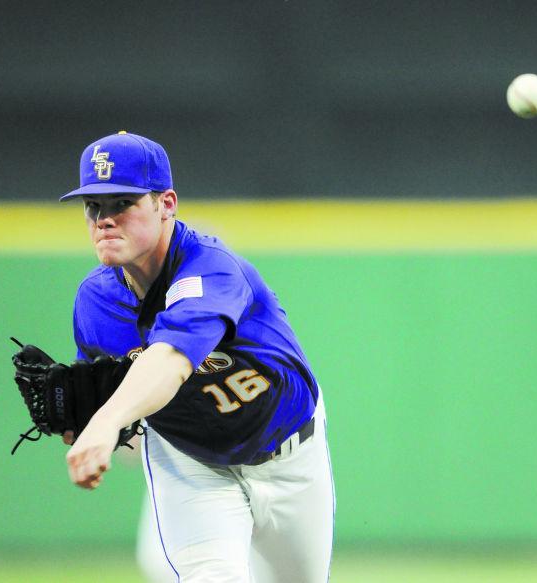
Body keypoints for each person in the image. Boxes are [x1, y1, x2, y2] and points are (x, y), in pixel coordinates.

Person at [59, 131, 335, 582]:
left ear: (166, 204)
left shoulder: (211, 267)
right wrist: (89, 424)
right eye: (94, 206)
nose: (104, 220)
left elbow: (170, 359)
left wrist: (107, 420)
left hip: (290, 454)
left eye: (122, 203)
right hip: (191, 466)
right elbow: (100, 395)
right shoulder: (95, 302)